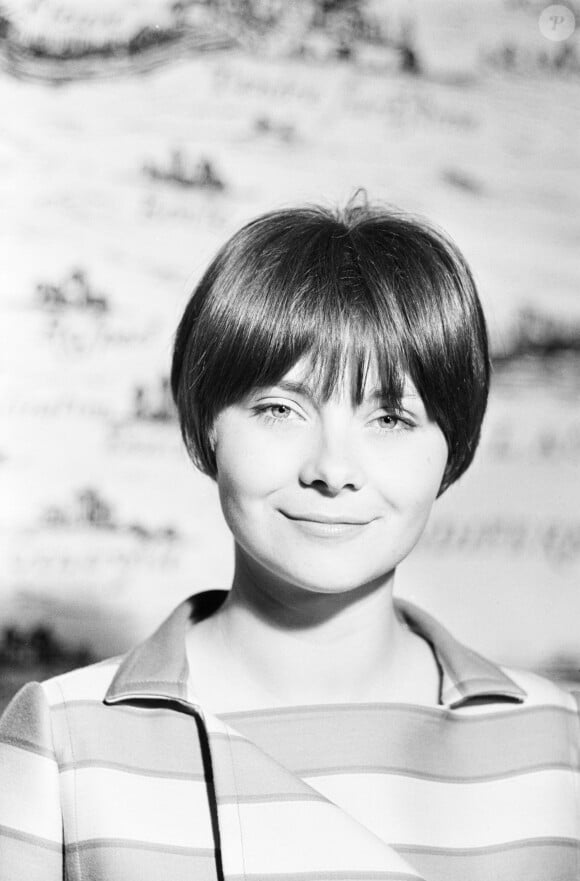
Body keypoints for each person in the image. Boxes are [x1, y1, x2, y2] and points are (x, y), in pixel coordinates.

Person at [0, 199, 578, 881]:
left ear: (451, 447)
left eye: (391, 418)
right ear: (205, 424)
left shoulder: (558, 742)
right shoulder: (64, 740)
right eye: (280, 409)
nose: (332, 470)